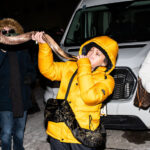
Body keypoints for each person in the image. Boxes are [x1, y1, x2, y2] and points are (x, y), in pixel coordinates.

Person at [32, 31, 118, 150]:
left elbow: (90, 97)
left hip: (82, 136)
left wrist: (84, 66)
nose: (91, 55)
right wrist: (44, 46)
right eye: (91, 50)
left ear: (105, 62)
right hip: (58, 132)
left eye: (97, 54)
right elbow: (48, 70)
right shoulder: (70, 66)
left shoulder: (107, 80)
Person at [0, 18, 36, 150]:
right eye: (4, 31)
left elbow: (32, 69)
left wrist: (29, 78)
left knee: (20, 132)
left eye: (11, 31)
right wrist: (2, 50)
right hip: (4, 98)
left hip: (22, 97)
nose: (8, 33)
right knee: (6, 132)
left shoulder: (22, 50)